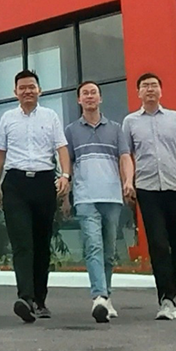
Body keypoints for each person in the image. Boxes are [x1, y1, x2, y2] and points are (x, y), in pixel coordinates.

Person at [0, 69, 71, 323]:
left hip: (44, 182)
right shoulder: (7, 118)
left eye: (31, 87)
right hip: (15, 184)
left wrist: (65, 175)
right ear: (15, 92)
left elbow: (61, 148)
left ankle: (40, 300)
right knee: (22, 243)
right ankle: (25, 298)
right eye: (22, 88)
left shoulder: (50, 116)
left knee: (41, 244)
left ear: (39, 90)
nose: (27, 91)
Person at [121, 72, 176, 321]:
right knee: (158, 244)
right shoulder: (130, 122)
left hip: (175, 188)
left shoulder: (175, 118)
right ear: (138, 92)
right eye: (145, 86)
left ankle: (175, 290)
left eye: (154, 85)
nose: (150, 89)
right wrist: (128, 182)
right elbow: (126, 155)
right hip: (147, 190)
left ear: (161, 91)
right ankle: (165, 299)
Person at [63, 81, 133, 323]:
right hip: (85, 198)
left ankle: (107, 295)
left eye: (93, 93)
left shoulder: (115, 129)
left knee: (109, 251)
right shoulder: (71, 131)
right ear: (79, 100)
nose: (89, 96)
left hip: (112, 196)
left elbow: (125, 157)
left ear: (100, 98)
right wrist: (66, 195)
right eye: (85, 93)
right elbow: (67, 164)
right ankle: (99, 297)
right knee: (93, 246)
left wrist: (128, 181)